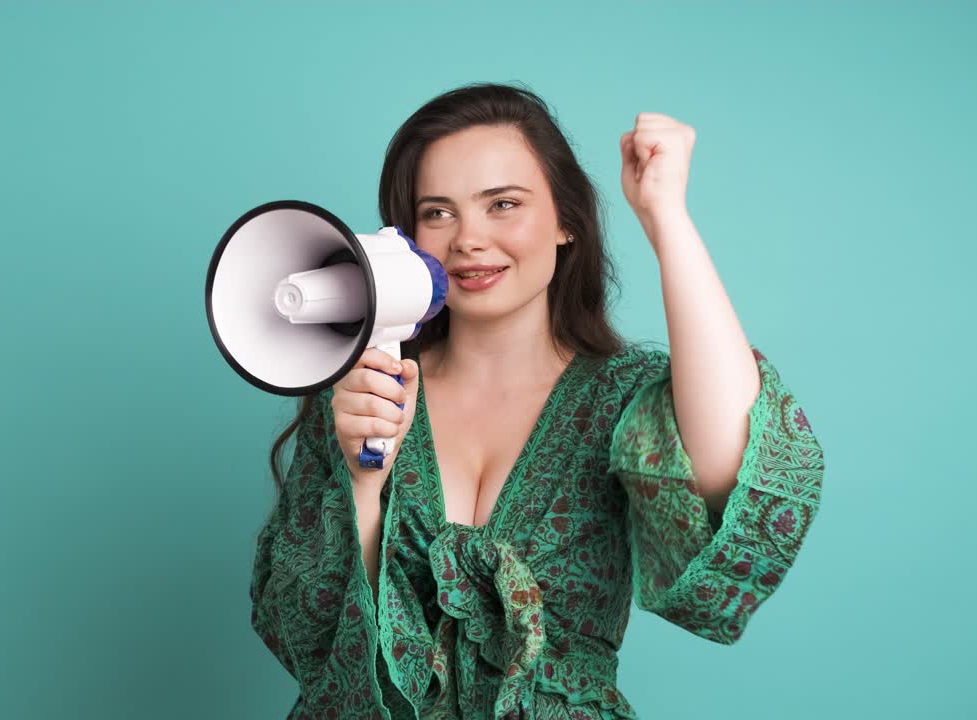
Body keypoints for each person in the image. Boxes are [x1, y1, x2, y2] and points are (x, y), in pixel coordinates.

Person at [249, 82, 824, 720]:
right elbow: (307, 635)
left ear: (565, 221)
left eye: (503, 203)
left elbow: (732, 465)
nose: (468, 239)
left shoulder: (620, 395)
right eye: (437, 212)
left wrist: (666, 216)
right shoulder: (360, 393)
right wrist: (362, 484)